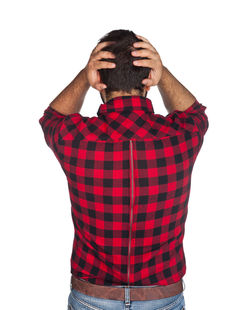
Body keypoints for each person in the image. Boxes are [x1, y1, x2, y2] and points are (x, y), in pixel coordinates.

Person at [39, 29, 209, 310]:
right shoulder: (179, 137)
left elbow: (52, 117)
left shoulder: (76, 138)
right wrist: (163, 72)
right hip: (161, 297)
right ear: (148, 82)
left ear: (100, 83)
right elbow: (195, 115)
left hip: (92, 296)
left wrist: (84, 76)